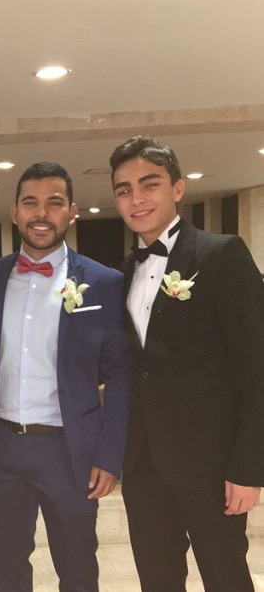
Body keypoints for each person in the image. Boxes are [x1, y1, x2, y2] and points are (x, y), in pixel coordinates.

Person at [0, 162, 131, 592]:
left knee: (77, 568)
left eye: (54, 203)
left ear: (72, 211)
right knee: (8, 567)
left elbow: (121, 373)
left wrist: (110, 455)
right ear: (14, 211)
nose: (41, 214)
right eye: (30, 203)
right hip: (1, 449)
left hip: (70, 450)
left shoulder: (104, 282)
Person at [110, 135, 264, 592]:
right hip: (144, 463)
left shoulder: (222, 254)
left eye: (149, 184)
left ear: (177, 188)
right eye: (124, 189)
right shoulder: (124, 272)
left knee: (226, 577)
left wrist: (248, 468)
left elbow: (256, 369)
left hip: (212, 464)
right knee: (157, 579)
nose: (136, 199)